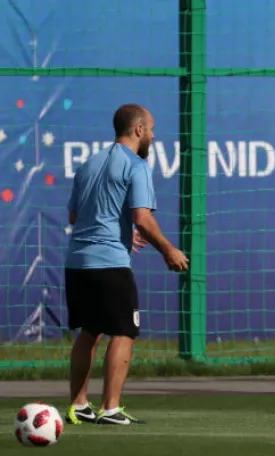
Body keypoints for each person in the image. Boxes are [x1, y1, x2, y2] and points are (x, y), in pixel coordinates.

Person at [64, 104, 189, 425]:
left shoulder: (89, 164)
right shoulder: (136, 166)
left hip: (77, 262)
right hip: (110, 263)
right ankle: (110, 409)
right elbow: (143, 219)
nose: (154, 135)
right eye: (151, 129)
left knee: (90, 331)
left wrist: (120, 231)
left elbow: (75, 217)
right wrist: (168, 250)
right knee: (123, 331)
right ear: (138, 130)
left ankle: (79, 405)